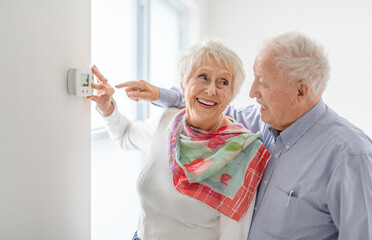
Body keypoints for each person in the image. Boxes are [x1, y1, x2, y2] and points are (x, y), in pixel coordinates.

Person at [123, 32, 372, 239]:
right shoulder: (259, 119)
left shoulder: (349, 155)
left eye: (262, 82)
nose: (252, 92)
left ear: (300, 91)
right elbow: (210, 105)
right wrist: (159, 94)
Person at [88, 39, 271, 239]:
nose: (211, 90)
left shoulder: (242, 152)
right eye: (203, 77)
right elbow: (125, 136)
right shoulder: (167, 121)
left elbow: (233, 237)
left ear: (230, 96)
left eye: (223, 82)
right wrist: (106, 106)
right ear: (183, 85)